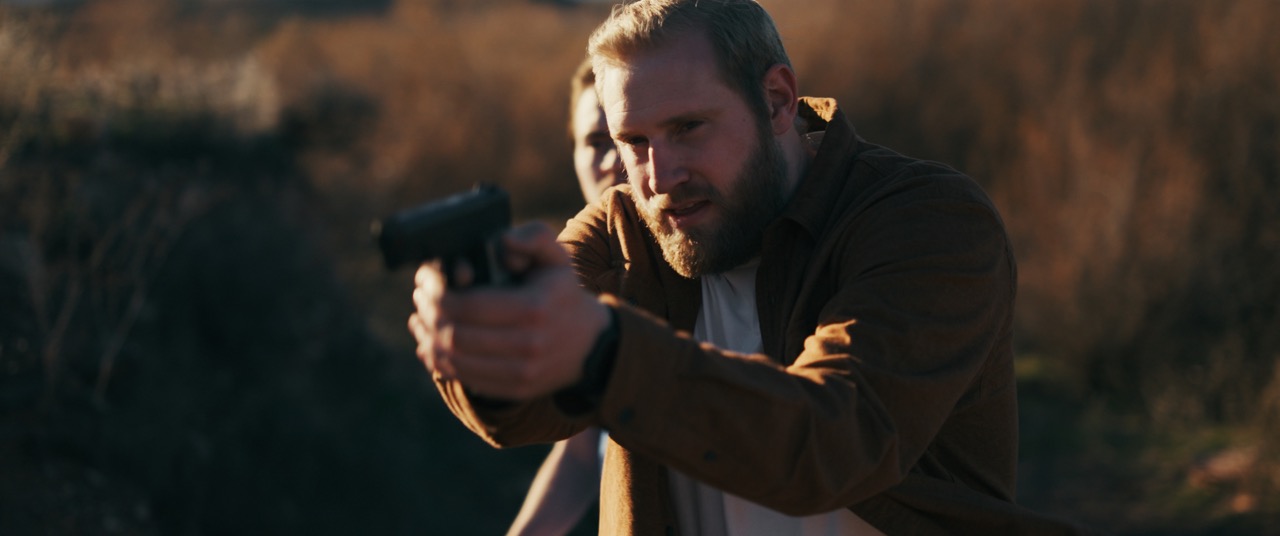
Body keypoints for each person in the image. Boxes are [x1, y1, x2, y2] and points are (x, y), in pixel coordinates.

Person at [409, 0, 1090, 533]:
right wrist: (484, 337)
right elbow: (517, 416)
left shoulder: (926, 221)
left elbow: (834, 440)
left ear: (777, 100)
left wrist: (605, 352)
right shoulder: (623, 227)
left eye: (688, 129)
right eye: (635, 141)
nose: (659, 175)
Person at [505, 58, 623, 536]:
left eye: (627, 136)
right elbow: (581, 452)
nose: (614, 158)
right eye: (595, 142)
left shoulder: (713, 274)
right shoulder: (581, 276)